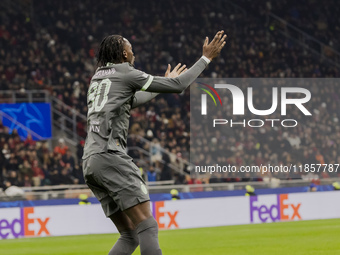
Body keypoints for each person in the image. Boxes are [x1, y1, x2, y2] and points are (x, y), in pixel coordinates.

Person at [82, 31, 227, 255]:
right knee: (147, 226)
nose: (133, 52)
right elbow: (179, 85)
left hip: (91, 161)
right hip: (111, 155)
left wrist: (163, 84)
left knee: (129, 235)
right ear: (123, 52)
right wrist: (205, 58)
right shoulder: (125, 71)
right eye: (130, 48)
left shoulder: (99, 78)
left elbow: (133, 100)